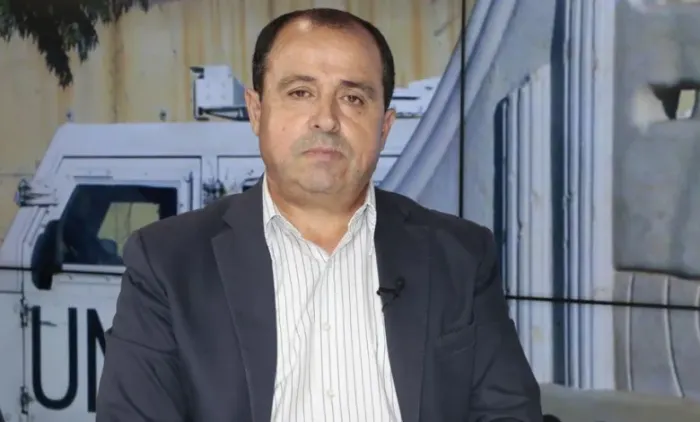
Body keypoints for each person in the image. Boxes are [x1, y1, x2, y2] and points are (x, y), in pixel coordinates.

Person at [96, 7, 542, 422]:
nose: (326, 119)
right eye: (300, 92)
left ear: (384, 127)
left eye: (353, 98)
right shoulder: (168, 262)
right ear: (256, 111)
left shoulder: (459, 255)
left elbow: (507, 413)